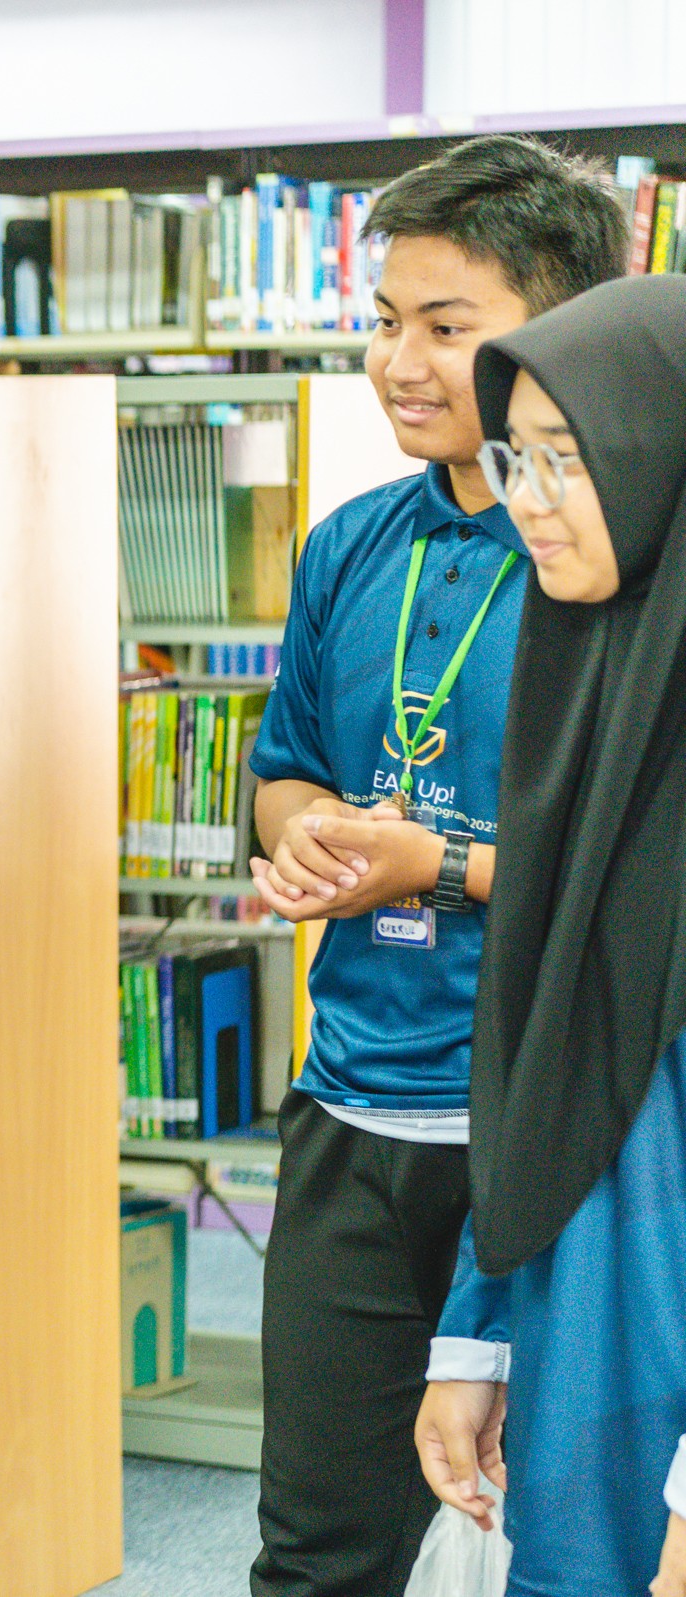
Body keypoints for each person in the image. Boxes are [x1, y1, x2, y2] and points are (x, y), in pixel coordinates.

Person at [239, 134, 627, 1597]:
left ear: (556, 337)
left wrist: (435, 862)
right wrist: (305, 834)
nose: (399, 364)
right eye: (385, 319)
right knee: (314, 1549)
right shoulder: (350, 545)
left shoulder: (608, 565)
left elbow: (637, 871)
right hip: (350, 1109)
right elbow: (282, 769)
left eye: (446, 327)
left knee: (555, 1544)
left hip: (548, 1126)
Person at [409, 275, 686, 1597]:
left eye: (568, 459)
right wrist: (480, 1337)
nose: (526, 498)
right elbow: (540, 1064)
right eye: (514, 457)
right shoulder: (583, 703)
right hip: (580, 1346)